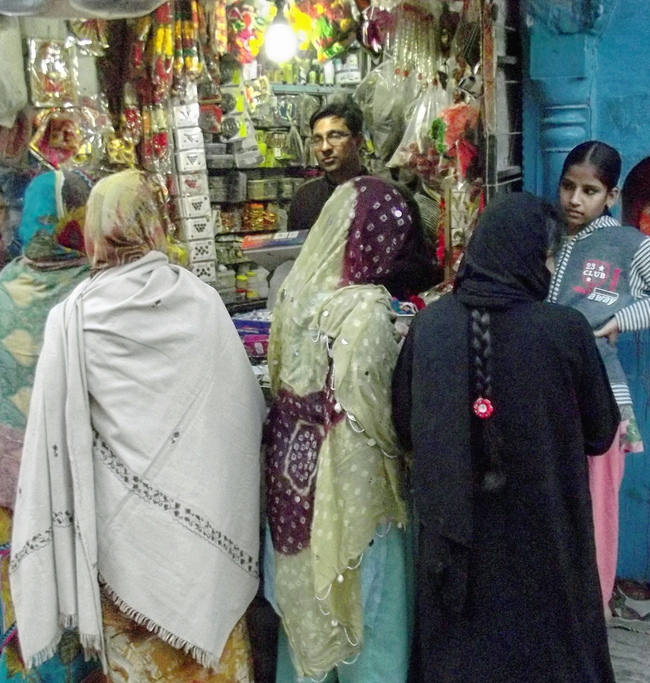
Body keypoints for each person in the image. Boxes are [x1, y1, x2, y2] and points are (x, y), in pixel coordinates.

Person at [9, 170, 264, 683]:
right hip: (204, 540)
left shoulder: (72, 317)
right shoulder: (199, 301)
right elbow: (243, 416)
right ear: (155, 223)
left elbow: (52, 439)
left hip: (119, 545)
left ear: (91, 231)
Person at [391, 193, 621, 683]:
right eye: (551, 256)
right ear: (532, 257)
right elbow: (602, 433)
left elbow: (404, 427)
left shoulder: (429, 325)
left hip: (455, 547)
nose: (552, 268)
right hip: (547, 543)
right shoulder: (566, 330)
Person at [264, 176, 440, 682]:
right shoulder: (365, 309)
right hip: (353, 489)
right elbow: (379, 417)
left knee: (307, 606)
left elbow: (278, 379)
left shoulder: (294, 294)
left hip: (293, 479)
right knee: (368, 613)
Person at [549, 140, 650, 623]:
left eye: (590, 191)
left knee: (596, 510)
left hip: (599, 397)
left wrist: (622, 318)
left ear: (612, 196)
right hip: (546, 394)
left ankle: (594, 611)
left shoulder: (626, 244)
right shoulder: (548, 234)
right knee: (553, 509)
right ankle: (555, 610)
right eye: (568, 186)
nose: (575, 200)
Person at [0, 170, 98, 683]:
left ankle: (32, 669)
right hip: (77, 472)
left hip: (6, 475)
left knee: (27, 573)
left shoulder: (2, 291)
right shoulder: (96, 291)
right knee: (78, 573)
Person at [287, 98, 368, 234]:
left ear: (358, 141)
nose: (325, 147)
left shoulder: (385, 193)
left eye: (334, 136)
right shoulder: (305, 198)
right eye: (317, 140)